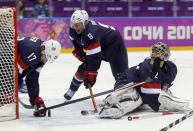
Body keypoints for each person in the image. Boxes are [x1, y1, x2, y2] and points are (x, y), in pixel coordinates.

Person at [99, 42, 190, 119]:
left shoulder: (171, 68)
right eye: (152, 52)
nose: (153, 54)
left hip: (142, 88)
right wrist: (176, 106)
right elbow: (151, 96)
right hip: (126, 82)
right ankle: (114, 104)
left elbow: (164, 88)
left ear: (165, 55)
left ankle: (119, 99)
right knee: (136, 99)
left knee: (144, 100)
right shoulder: (148, 67)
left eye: (157, 52)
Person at [64, 10, 128, 101]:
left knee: (121, 75)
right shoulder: (72, 30)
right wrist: (78, 51)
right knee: (83, 68)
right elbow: (76, 43)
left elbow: (95, 58)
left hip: (115, 46)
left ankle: (125, 94)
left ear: (85, 23)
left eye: (77, 24)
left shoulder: (91, 33)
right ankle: (71, 90)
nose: (75, 27)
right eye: (73, 24)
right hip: (101, 45)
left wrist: (91, 74)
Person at [18, 37, 61, 117]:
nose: (45, 60)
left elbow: (32, 78)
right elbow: (14, 73)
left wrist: (35, 99)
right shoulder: (32, 53)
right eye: (46, 57)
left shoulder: (42, 53)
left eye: (48, 59)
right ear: (44, 49)